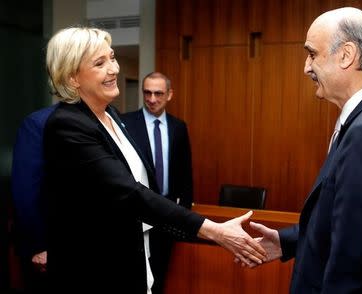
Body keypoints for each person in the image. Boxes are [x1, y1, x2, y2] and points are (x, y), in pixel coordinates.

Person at [42, 26, 266, 294]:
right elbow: (128, 193)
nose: (113, 69)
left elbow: (146, 183)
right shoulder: (67, 125)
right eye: (100, 63)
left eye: (112, 57)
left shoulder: (111, 115)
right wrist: (212, 231)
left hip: (135, 254)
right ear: (72, 77)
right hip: (94, 271)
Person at [247, 7, 362, 294]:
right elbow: (357, 226)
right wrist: (290, 241)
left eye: (312, 54)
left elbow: (354, 268)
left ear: (346, 55)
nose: (306, 67)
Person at [121, 72, 193, 293]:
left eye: (158, 93)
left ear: (169, 94)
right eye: (147, 93)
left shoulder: (178, 127)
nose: (152, 99)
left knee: (160, 275)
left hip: (168, 215)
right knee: (134, 276)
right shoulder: (125, 124)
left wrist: (185, 212)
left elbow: (185, 173)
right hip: (137, 213)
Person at [11, 104, 57, 293]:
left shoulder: (108, 117)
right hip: (49, 246)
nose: (112, 72)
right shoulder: (39, 123)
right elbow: (25, 189)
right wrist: (39, 246)